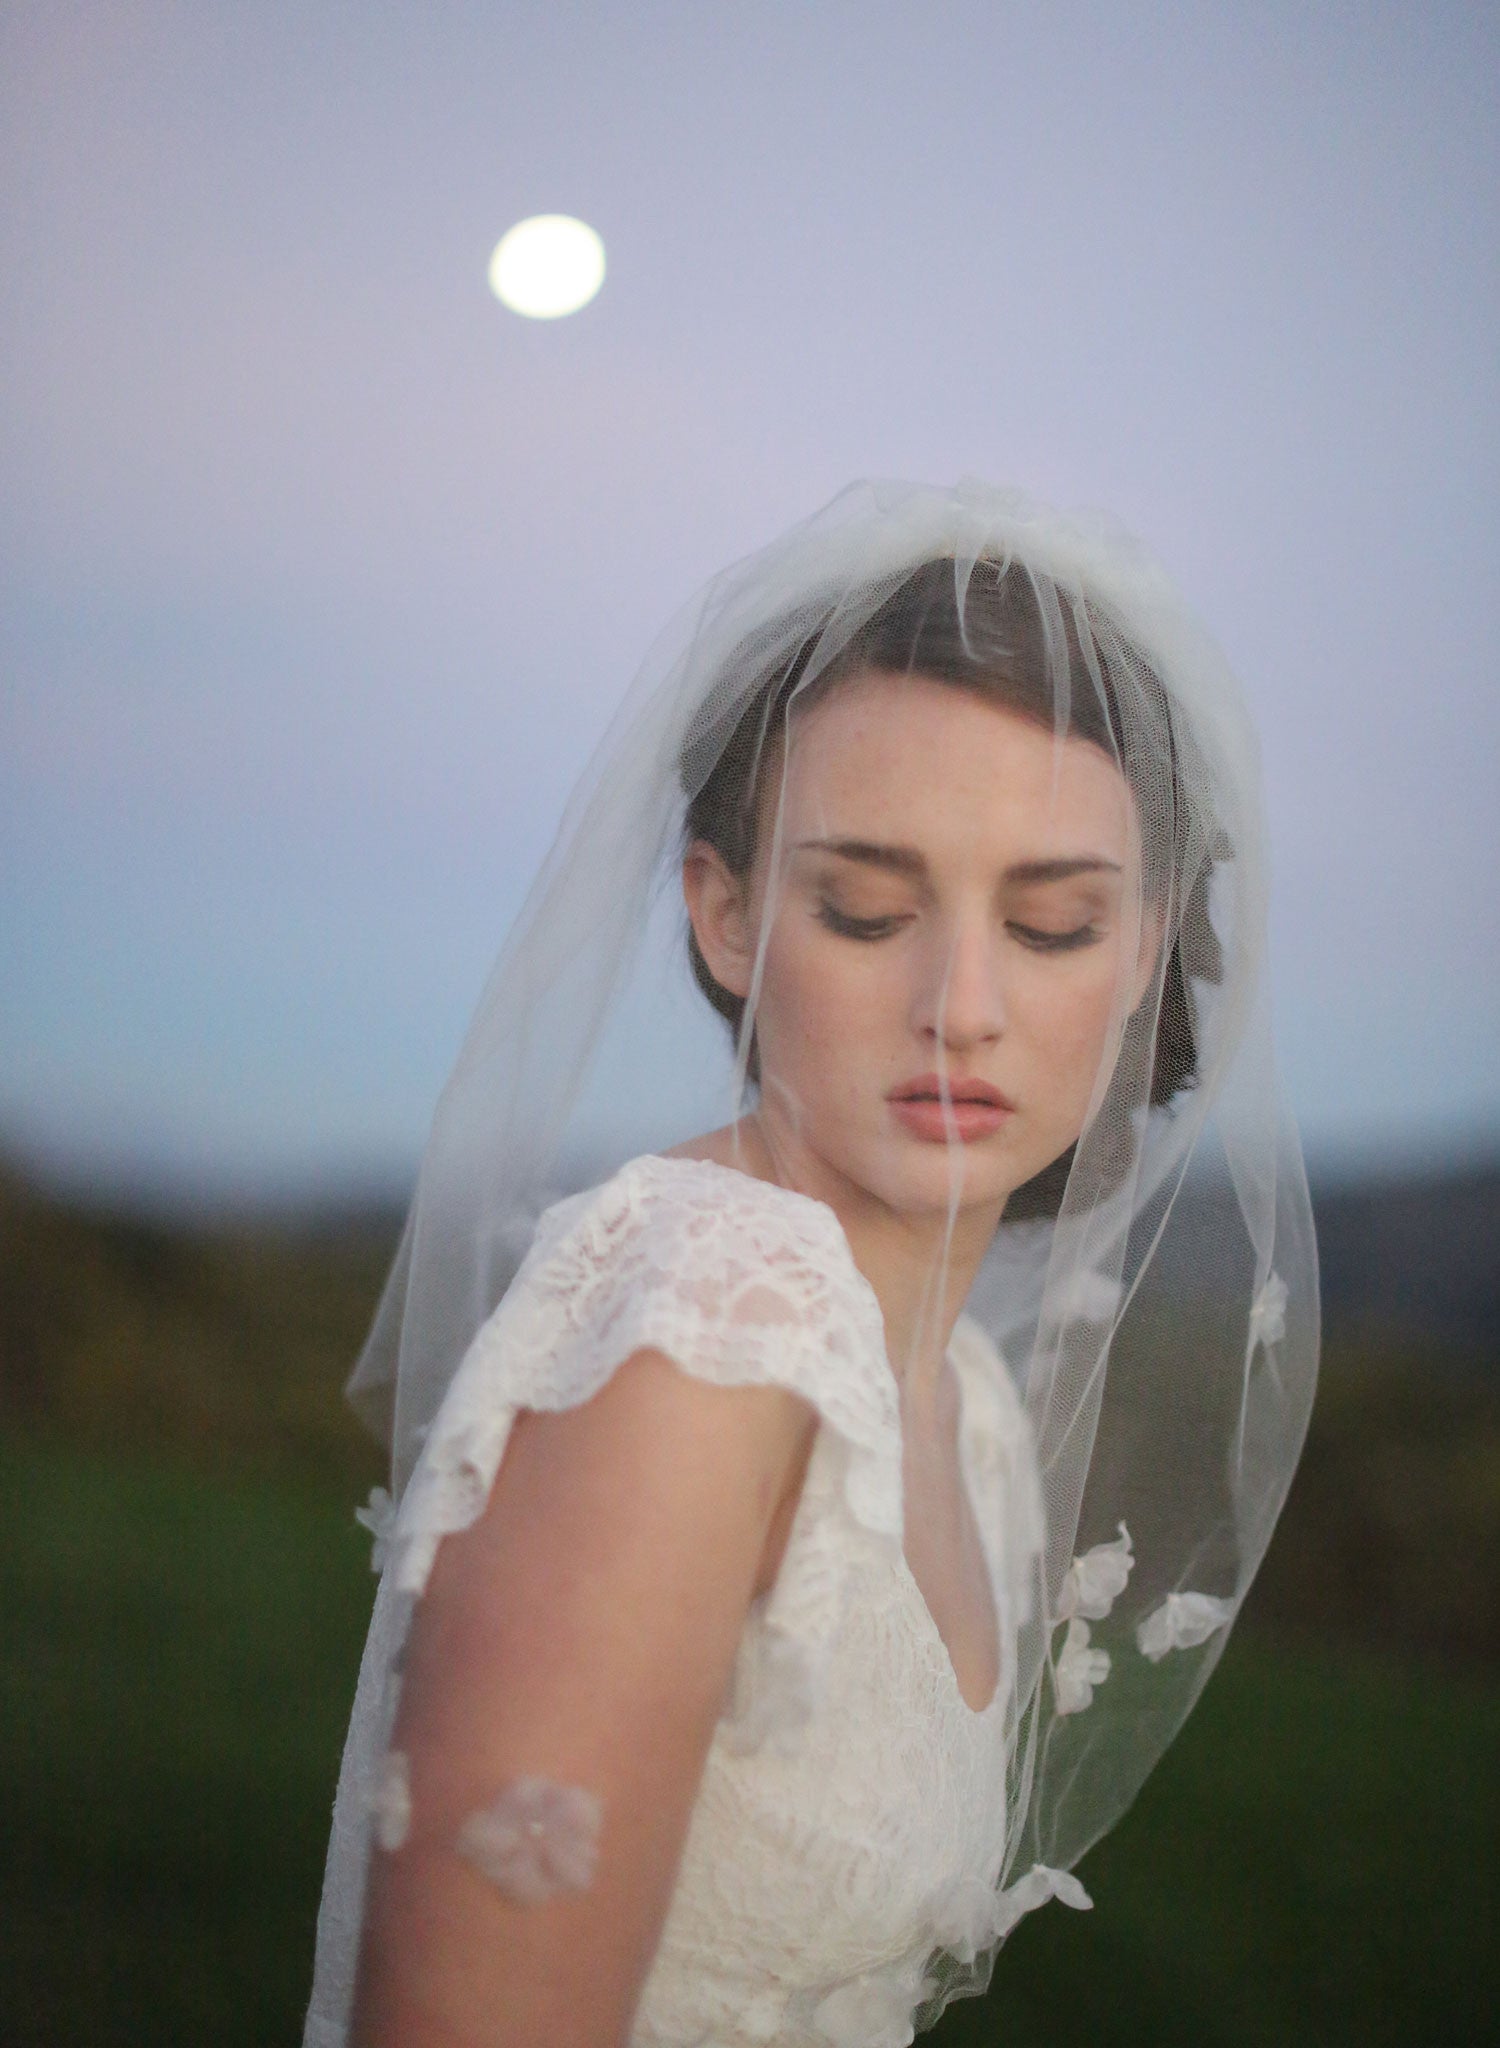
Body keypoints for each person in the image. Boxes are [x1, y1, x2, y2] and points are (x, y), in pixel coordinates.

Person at [302, 479, 1318, 2048]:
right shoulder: (703, 1331)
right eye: (864, 909)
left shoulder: (963, 1399)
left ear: (1140, 951)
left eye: (1051, 924)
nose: (960, 1004)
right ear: (725, 916)